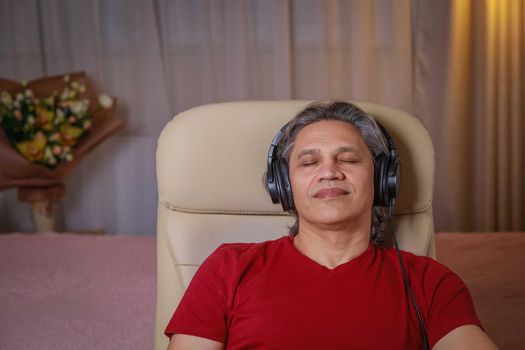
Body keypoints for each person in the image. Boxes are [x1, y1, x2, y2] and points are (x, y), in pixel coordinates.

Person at [164, 102, 498, 349]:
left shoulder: (430, 281)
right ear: (283, 185)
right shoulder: (228, 268)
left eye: (349, 159)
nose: (329, 172)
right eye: (309, 161)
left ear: (382, 181)